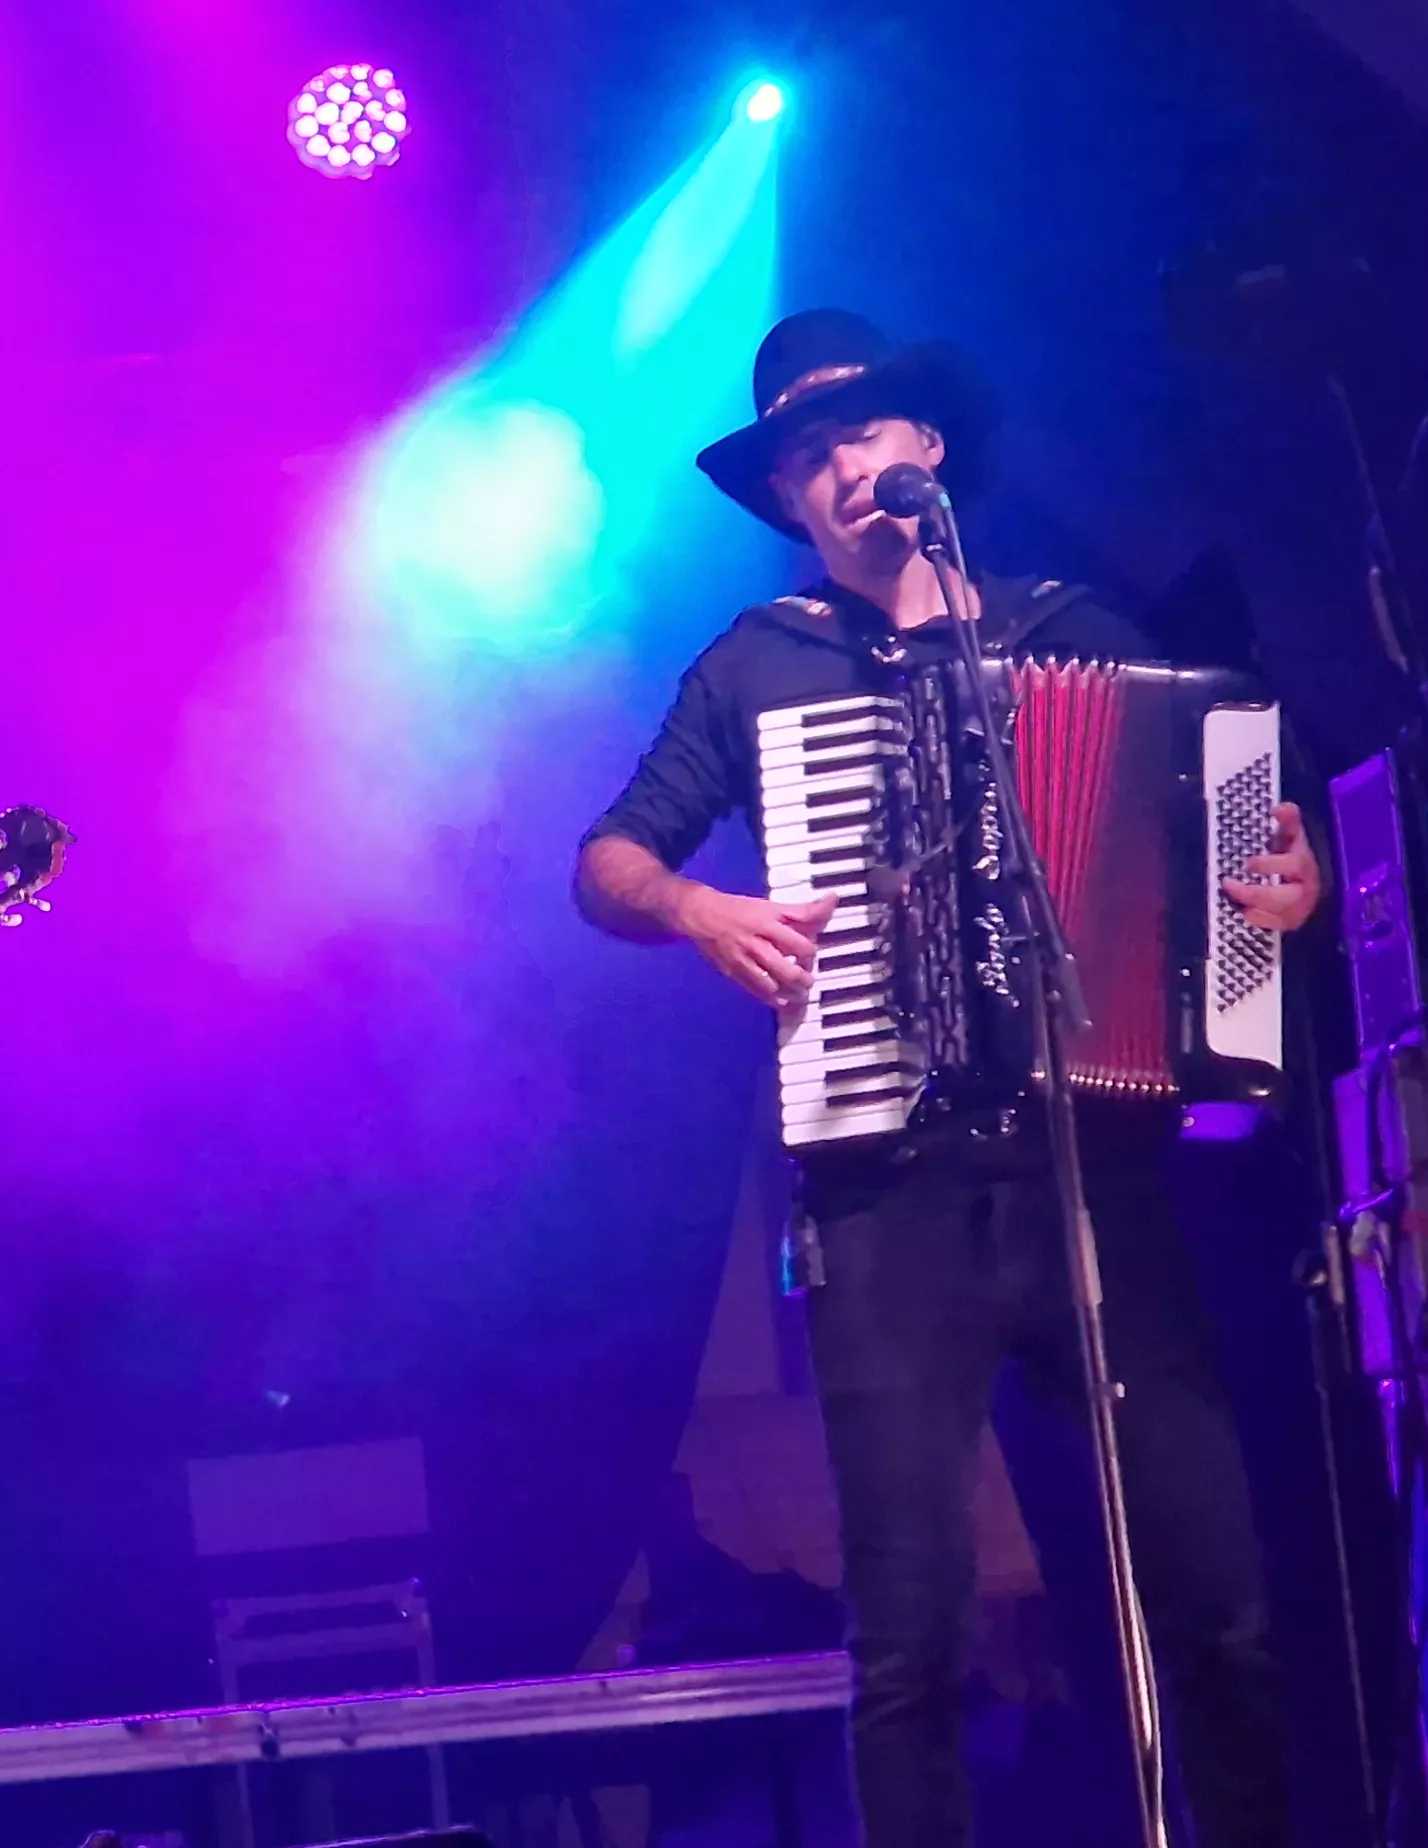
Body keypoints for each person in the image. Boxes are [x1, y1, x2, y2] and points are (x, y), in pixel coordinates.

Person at [571, 312, 1319, 1847]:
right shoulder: (761, 668)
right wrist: (700, 907)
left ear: (931, 453)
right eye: (806, 458)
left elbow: (1236, 807)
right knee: (909, 1644)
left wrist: (1283, 877)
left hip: (1091, 1176)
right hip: (886, 1196)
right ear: (786, 502)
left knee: (1216, 1602)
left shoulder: (1073, 629)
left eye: (865, 436)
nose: (841, 470)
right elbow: (607, 862)